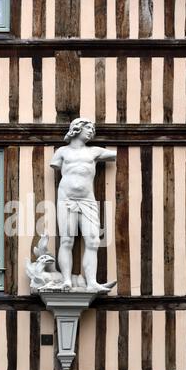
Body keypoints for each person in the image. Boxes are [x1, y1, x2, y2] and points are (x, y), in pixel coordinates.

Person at [50, 118, 117, 292]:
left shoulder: (94, 151)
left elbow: (114, 154)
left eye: (93, 129)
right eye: (89, 128)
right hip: (67, 199)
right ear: (77, 129)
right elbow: (55, 165)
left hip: (87, 200)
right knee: (66, 240)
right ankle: (66, 280)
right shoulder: (62, 152)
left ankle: (92, 282)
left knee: (93, 240)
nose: (91, 131)